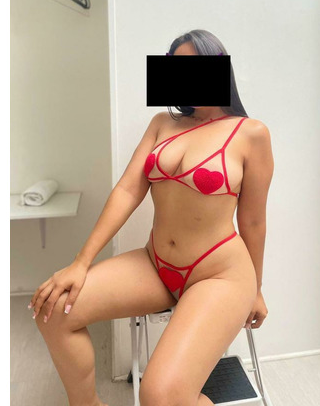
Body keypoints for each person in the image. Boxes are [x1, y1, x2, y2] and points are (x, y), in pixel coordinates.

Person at [28, 29, 274, 406]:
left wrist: (255, 288)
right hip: (156, 264)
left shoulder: (252, 134)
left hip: (220, 274)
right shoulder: (162, 123)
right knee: (54, 309)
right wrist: (81, 263)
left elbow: (254, 222)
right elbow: (128, 190)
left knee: (158, 396)